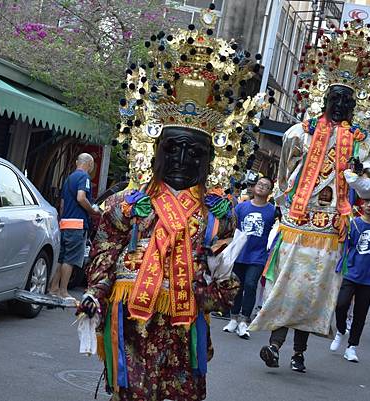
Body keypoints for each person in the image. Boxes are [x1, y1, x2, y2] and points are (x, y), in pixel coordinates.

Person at [77, 8, 265, 400]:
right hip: (133, 321)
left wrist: (202, 288)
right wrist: (96, 291)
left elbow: (226, 279)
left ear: (210, 161)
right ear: (156, 152)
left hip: (184, 326)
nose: (182, 161)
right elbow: (105, 251)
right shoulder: (127, 204)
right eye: (173, 150)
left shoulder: (218, 214)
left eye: (194, 153)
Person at [250, 21, 370, 374]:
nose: (340, 105)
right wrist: (286, 199)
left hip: (331, 228)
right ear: (324, 99)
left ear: (355, 105)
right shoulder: (301, 132)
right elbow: (284, 174)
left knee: (314, 293)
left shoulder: (360, 142)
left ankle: (297, 351)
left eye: (347, 100)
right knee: (289, 286)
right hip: (299, 221)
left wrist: (357, 172)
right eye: (335, 99)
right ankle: (275, 344)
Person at [329, 192, 370, 361]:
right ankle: (341, 329)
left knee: (360, 313)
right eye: (366, 202)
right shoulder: (354, 223)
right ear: (361, 204)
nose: (368, 206)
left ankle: (352, 346)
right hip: (351, 272)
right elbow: (344, 246)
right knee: (341, 304)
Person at [223, 177, 276, 339]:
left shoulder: (272, 211)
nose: (261, 187)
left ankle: (244, 320)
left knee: (251, 284)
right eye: (259, 184)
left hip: (258, 255)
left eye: (266, 186)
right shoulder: (241, 207)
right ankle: (233, 318)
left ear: (269, 191)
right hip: (240, 253)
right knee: (237, 285)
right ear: (254, 188)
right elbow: (232, 228)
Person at [49, 153, 100, 302]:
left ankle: (53, 288)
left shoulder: (69, 178)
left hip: (64, 223)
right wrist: (92, 211)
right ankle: (64, 292)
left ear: (77, 162)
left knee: (61, 258)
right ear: (89, 165)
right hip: (77, 224)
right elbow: (81, 197)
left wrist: (62, 220)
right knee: (70, 260)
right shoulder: (84, 178)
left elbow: (63, 204)